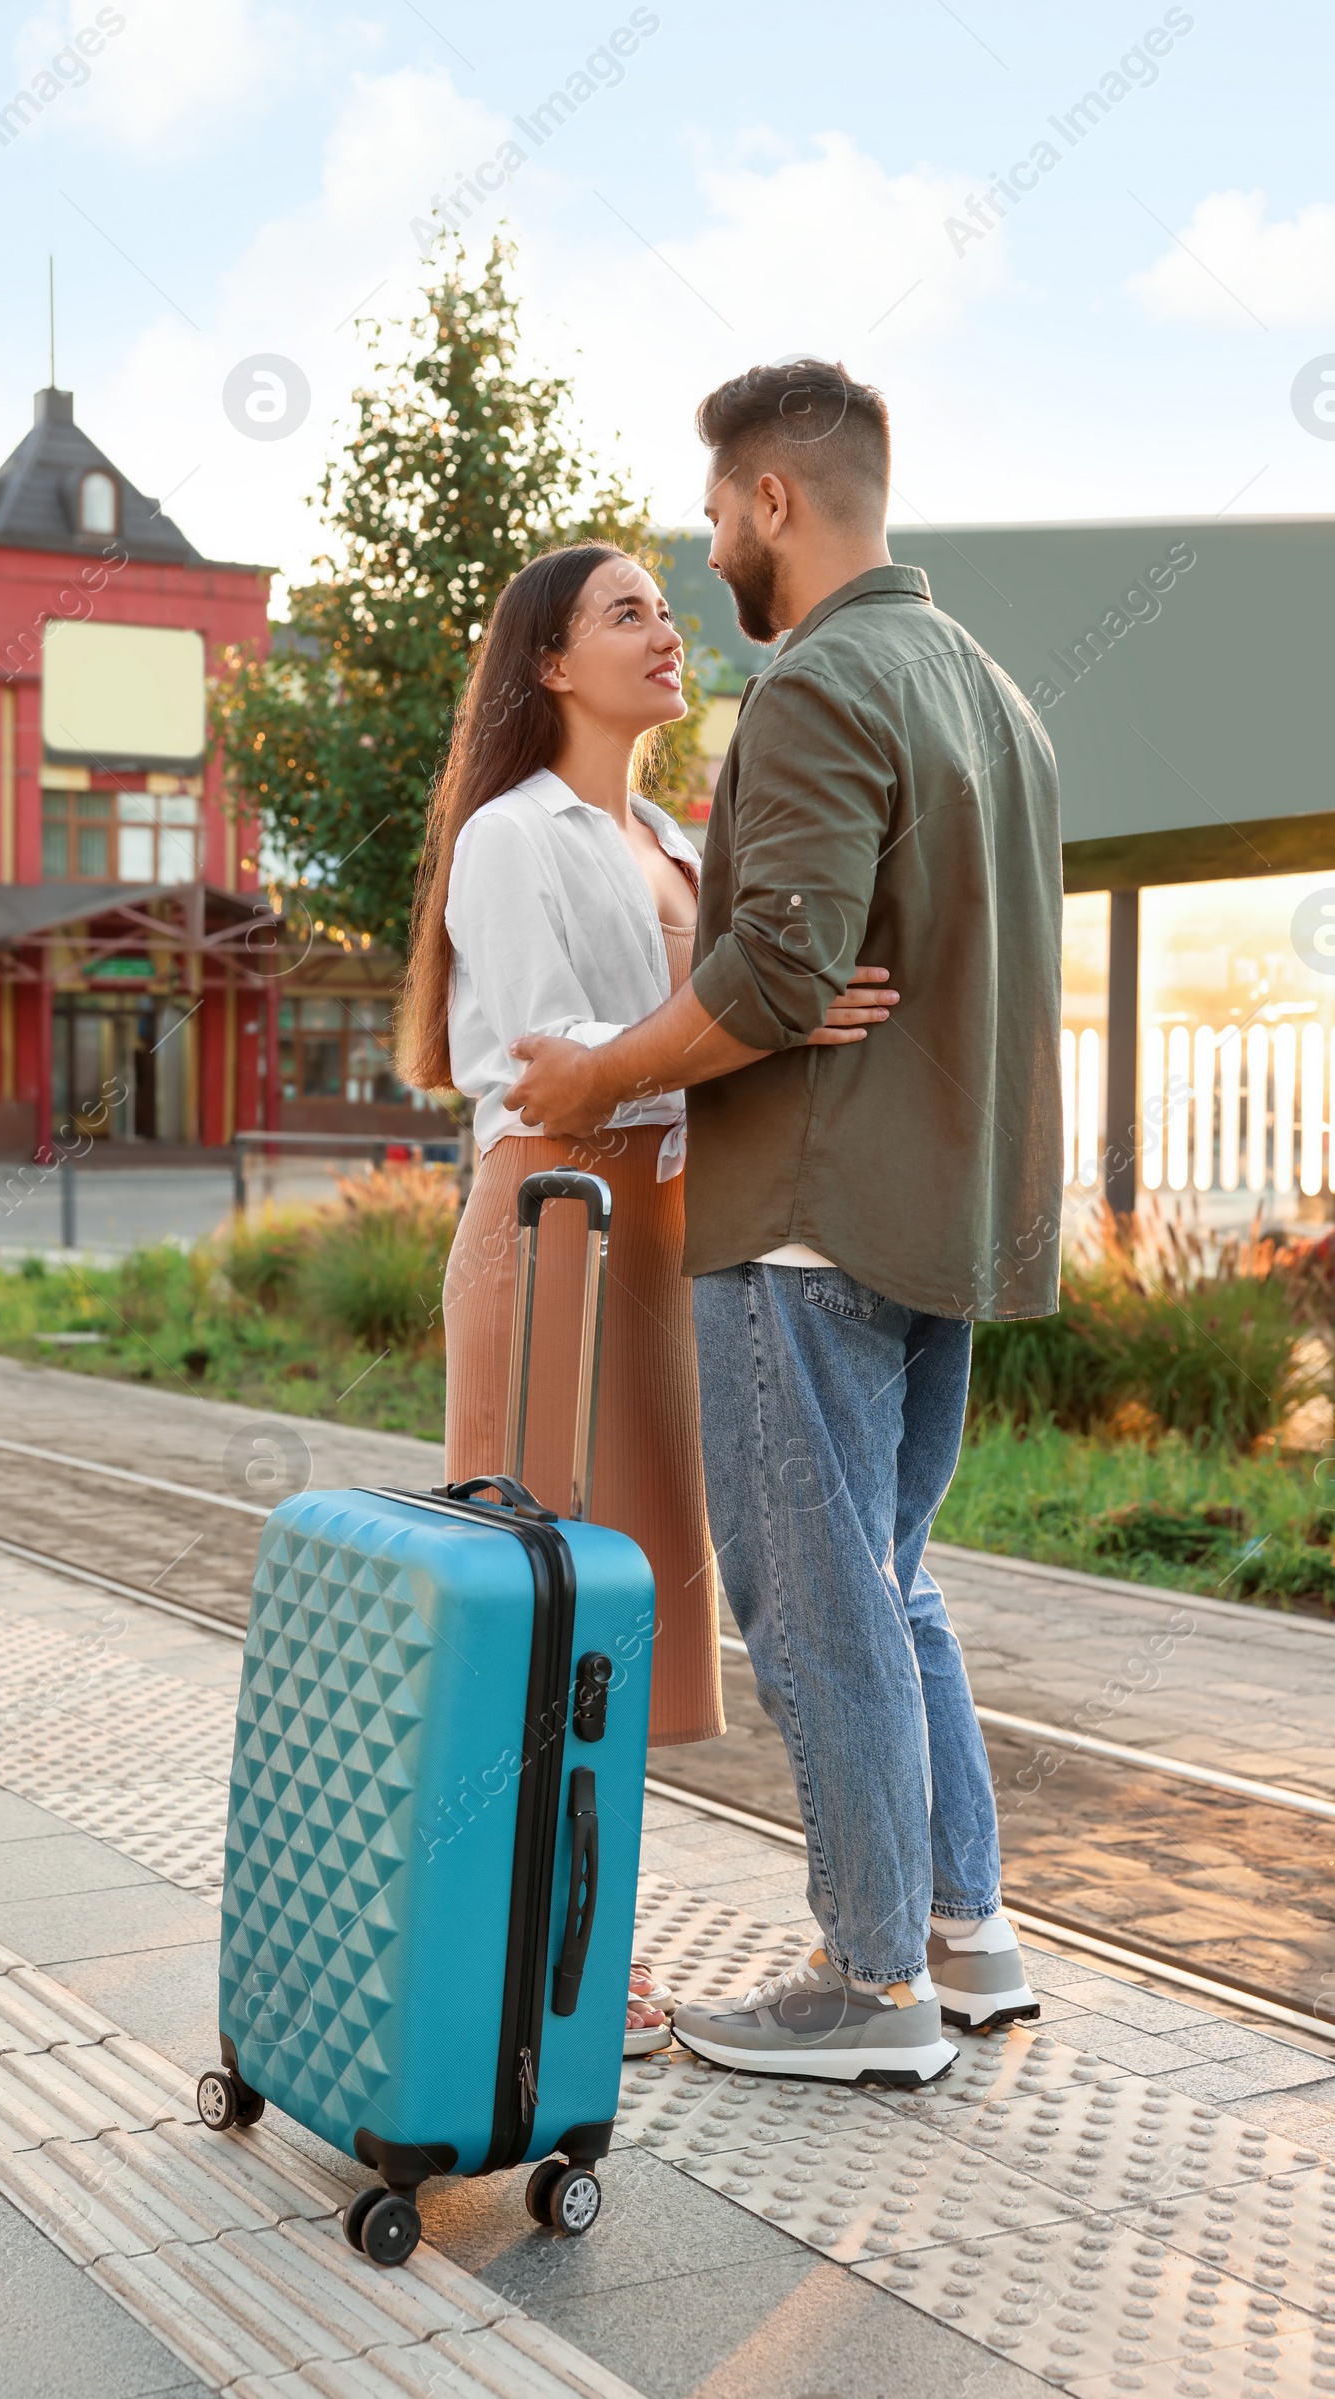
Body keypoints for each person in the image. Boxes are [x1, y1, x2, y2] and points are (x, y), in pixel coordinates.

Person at [504, 361, 1064, 2086]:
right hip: (950, 1218)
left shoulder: (821, 684)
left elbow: (784, 970)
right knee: (892, 1588)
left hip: (812, 1217)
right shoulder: (998, 697)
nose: (710, 559)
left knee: (816, 1604)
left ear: (771, 501)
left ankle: (866, 1984)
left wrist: (596, 1080)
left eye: (718, 514)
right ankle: (965, 1934)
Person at [396, 539, 897, 2057]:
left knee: (622, 1615)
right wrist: (774, 1029)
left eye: (665, 611)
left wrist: (761, 1026)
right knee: (548, 1607)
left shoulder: (671, 836)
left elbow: (680, 1037)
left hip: (662, 1244)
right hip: (555, 1231)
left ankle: (570, 1947)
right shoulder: (511, 835)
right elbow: (561, 1058)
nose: (666, 632)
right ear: (549, 663)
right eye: (627, 614)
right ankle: (538, 1966)